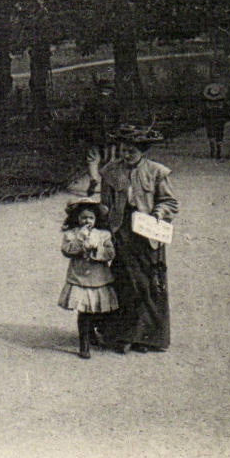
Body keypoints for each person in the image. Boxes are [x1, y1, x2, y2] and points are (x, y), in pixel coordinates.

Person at [98, 124, 178, 354]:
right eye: (124, 149)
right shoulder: (110, 171)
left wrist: (158, 214)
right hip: (122, 231)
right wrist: (104, 218)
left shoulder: (157, 172)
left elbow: (170, 202)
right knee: (124, 281)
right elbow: (105, 202)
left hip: (147, 234)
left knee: (149, 283)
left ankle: (148, 336)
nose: (127, 154)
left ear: (143, 151)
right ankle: (122, 335)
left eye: (132, 150)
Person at [58, 197, 118, 359]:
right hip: (80, 278)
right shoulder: (71, 234)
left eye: (90, 217)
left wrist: (96, 250)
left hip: (99, 278)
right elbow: (67, 250)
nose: (87, 221)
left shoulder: (103, 235)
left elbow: (111, 253)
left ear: (96, 219)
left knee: (97, 309)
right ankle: (84, 344)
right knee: (84, 312)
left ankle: (92, 334)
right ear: (76, 219)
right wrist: (80, 239)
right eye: (83, 217)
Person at [78, 76, 118, 195]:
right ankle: (107, 184)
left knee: (92, 158)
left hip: (93, 135)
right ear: (110, 90)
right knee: (109, 160)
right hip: (109, 136)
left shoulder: (91, 102)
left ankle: (94, 179)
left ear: (99, 89)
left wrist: (84, 133)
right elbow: (118, 120)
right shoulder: (114, 103)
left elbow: (84, 119)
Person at [201, 82, 230, 160]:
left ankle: (213, 151)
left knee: (211, 134)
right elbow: (226, 111)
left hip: (211, 119)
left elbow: (204, 112)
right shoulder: (222, 102)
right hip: (218, 120)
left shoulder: (207, 103)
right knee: (218, 135)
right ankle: (218, 151)